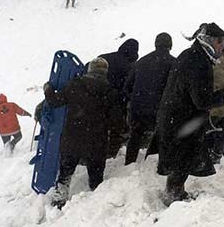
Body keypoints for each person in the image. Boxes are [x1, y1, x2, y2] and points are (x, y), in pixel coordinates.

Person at [156, 23, 224, 205]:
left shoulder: (191, 55)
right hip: (182, 120)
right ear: (207, 41)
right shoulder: (199, 63)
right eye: (219, 41)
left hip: (175, 116)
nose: (223, 45)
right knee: (184, 157)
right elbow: (202, 100)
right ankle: (174, 194)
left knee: (183, 157)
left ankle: (175, 191)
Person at [43, 58, 117, 209]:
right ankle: (95, 208)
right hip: (96, 142)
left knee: (65, 175)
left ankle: (59, 201)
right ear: (105, 72)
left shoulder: (75, 84)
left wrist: (48, 89)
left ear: (90, 69)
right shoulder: (110, 91)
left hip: (72, 139)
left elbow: (54, 101)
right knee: (96, 180)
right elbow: (116, 120)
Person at [123, 33, 176, 165]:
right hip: (160, 109)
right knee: (162, 135)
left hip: (138, 108)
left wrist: (137, 99)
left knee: (136, 135)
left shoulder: (141, 62)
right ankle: (152, 164)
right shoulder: (174, 63)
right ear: (170, 45)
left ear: (155, 44)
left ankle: (129, 163)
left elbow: (127, 86)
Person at [98, 39, 139, 158]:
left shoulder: (103, 58)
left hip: (93, 99)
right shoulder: (129, 67)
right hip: (114, 104)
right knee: (116, 130)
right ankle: (110, 156)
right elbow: (129, 88)